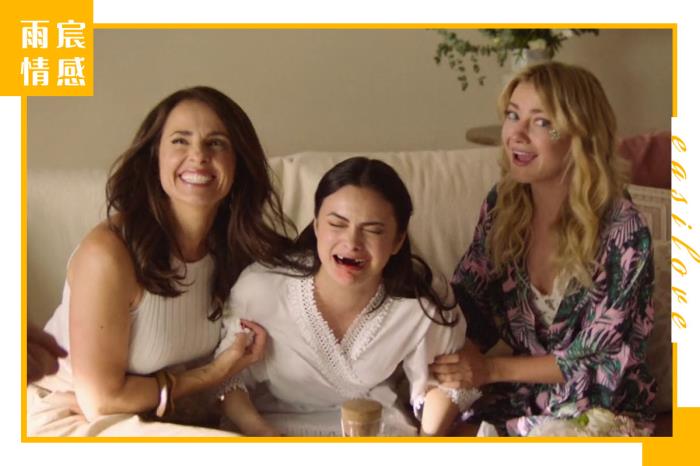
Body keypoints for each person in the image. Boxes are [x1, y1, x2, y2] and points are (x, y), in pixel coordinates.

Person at [27, 86, 298, 437]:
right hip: (70, 412)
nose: (198, 156)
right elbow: (101, 401)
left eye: (216, 143)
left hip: (163, 413)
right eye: (180, 141)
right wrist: (213, 373)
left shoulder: (234, 248)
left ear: (238, 163)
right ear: (155, 158)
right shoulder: (108, 254)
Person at [431, 62, 656, 436]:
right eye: (512, 115)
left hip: (600, 409)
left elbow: (600, 357)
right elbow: (471, 301)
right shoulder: (502, 207)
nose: (516, 134)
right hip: (520, 402)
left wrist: (490, 370)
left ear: (579, 135)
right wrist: (448, 352)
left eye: (541, 122)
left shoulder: (623, 230)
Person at [215, 157, 481, 437]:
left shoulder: (421, 298)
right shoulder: (261, 287)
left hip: (377, 432)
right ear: (317, 226)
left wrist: (426, 444)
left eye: (373, 230)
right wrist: (263, 435)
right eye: (337, 224)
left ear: (398, 240)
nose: (352, 243)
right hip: (271, 430)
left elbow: (443, 383)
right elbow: (229, 379)